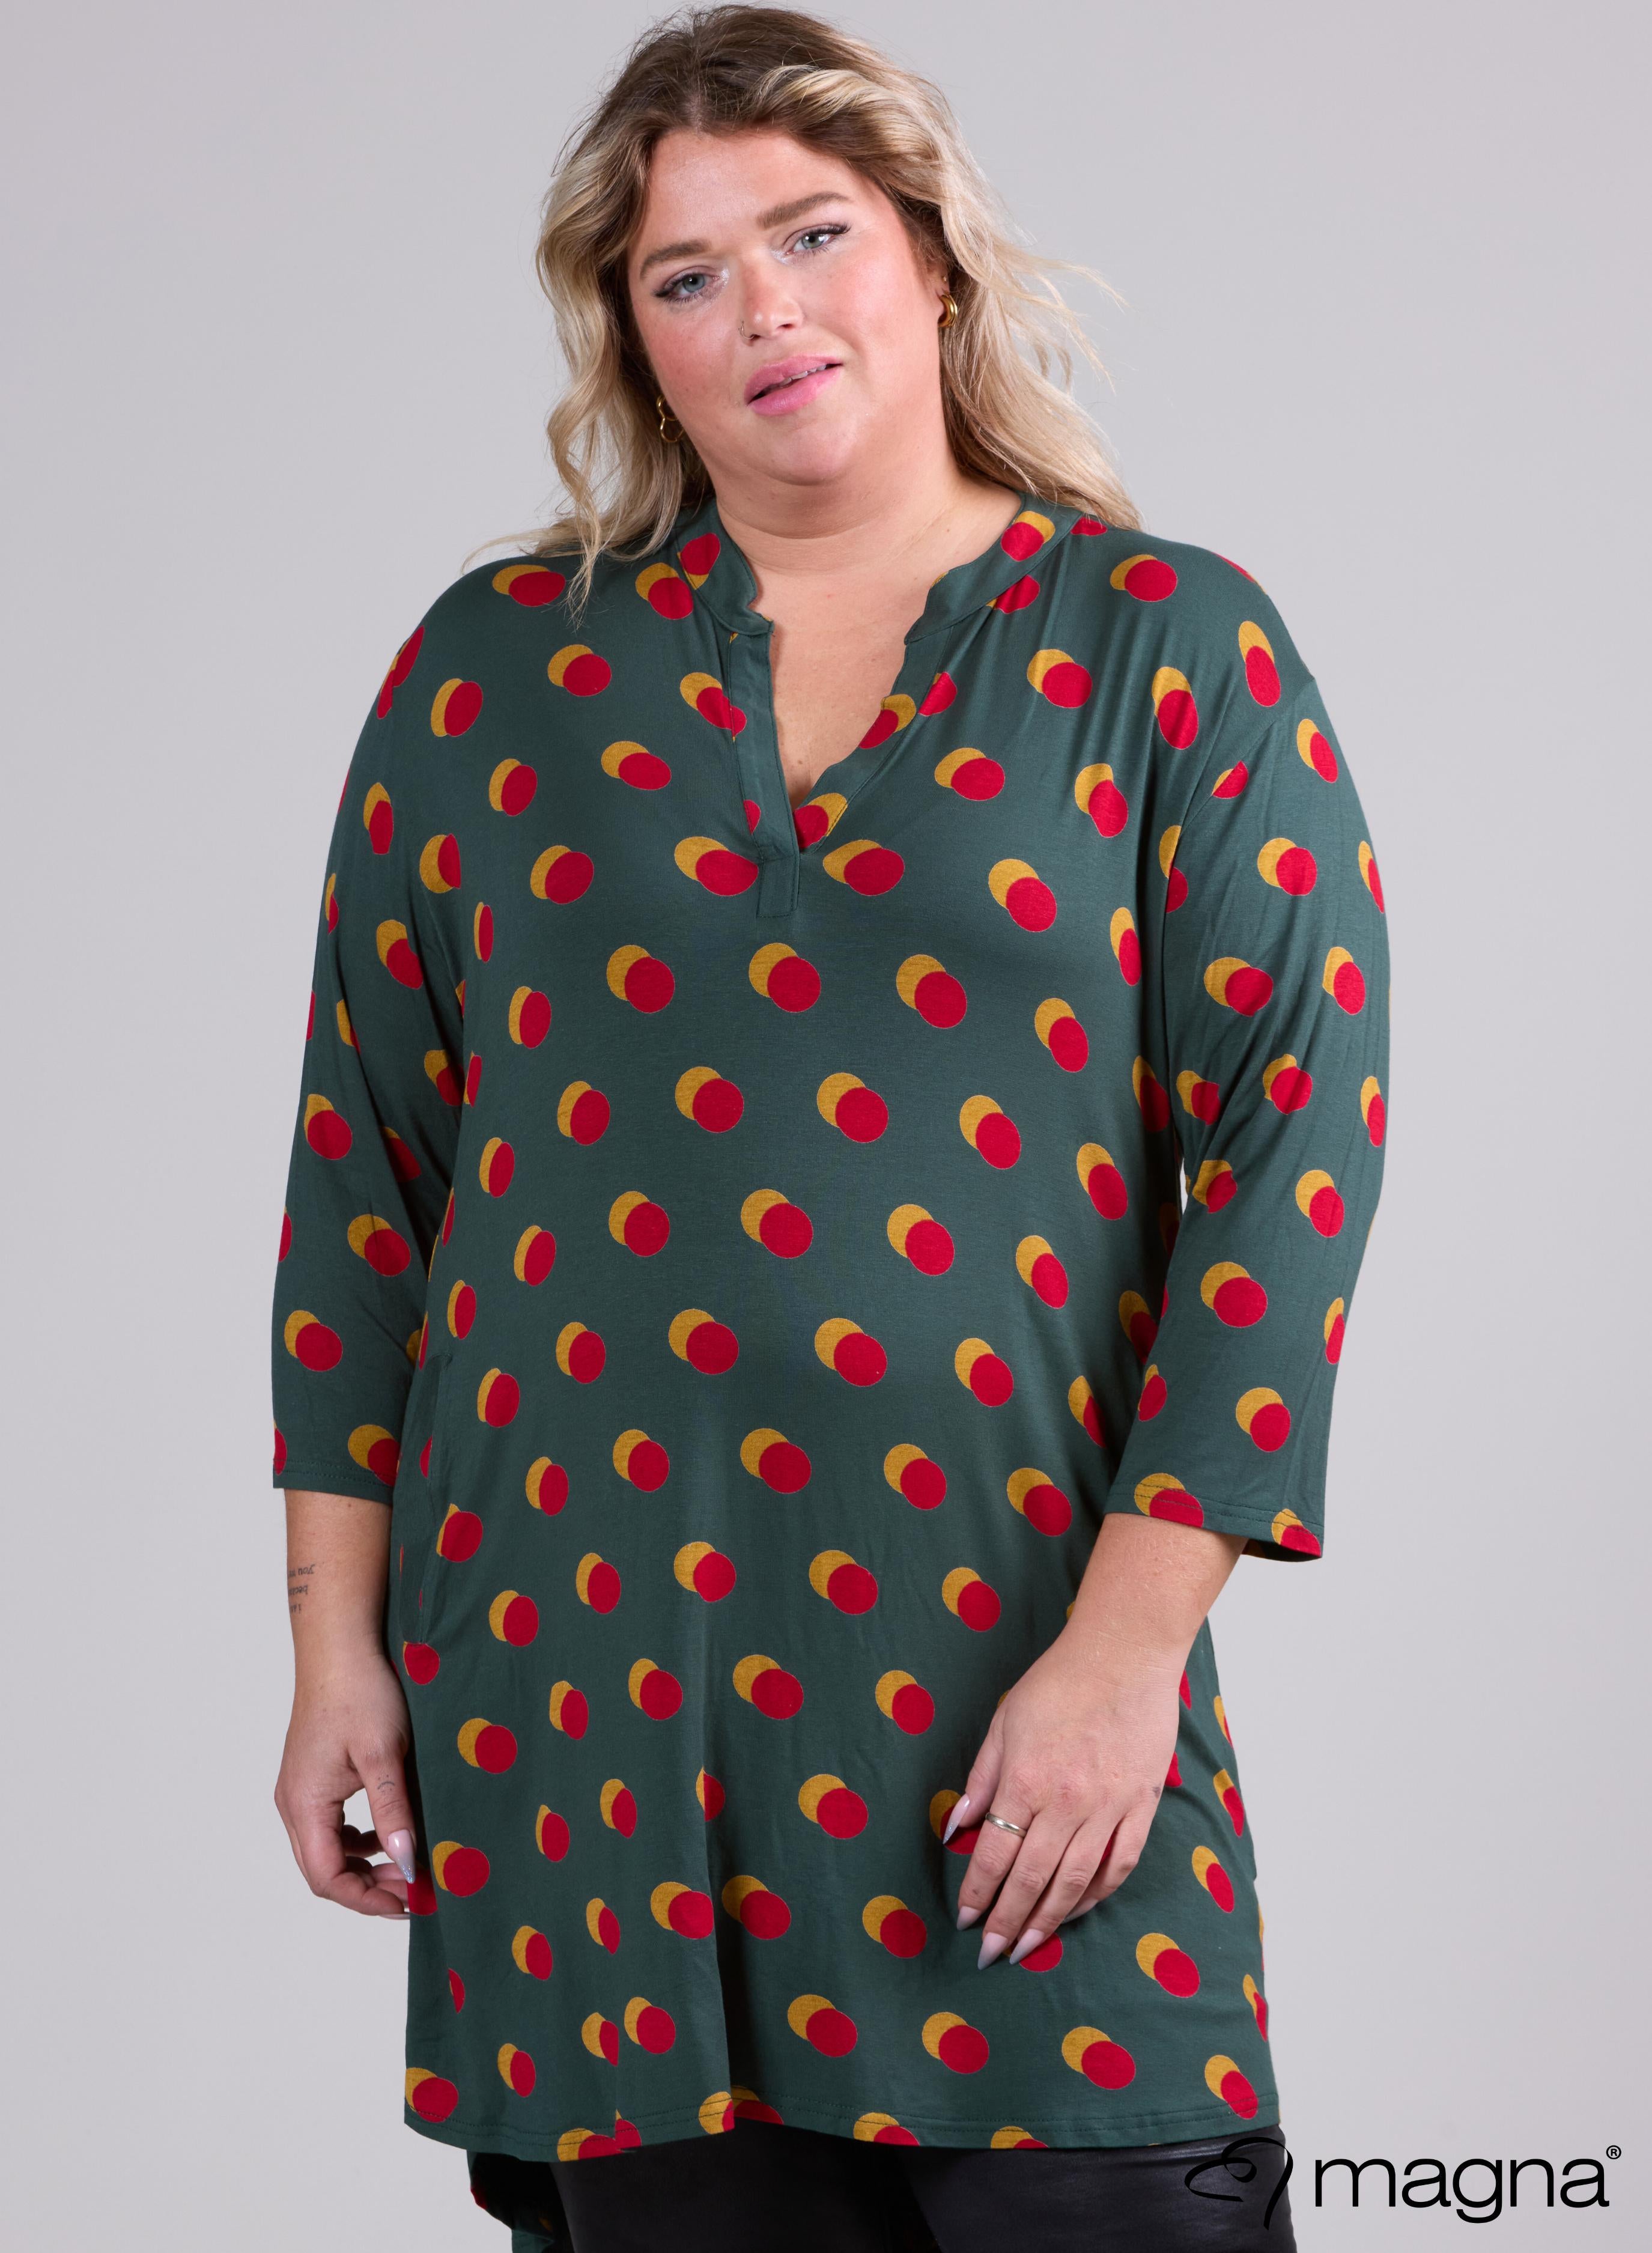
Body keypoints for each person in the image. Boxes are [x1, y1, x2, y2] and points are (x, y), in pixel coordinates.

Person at [269, 8, 1388, 2248]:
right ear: (636, 344)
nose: (763, 308)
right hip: (581, 1725)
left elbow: (1295, 1155)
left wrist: (1124, 1661)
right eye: (686, 276)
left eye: (812, 235)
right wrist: (332, 1652)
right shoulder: (495, 672)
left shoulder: (1163, 646)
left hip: (1014, 1699)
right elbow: (365, 1181)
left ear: (933, 263)